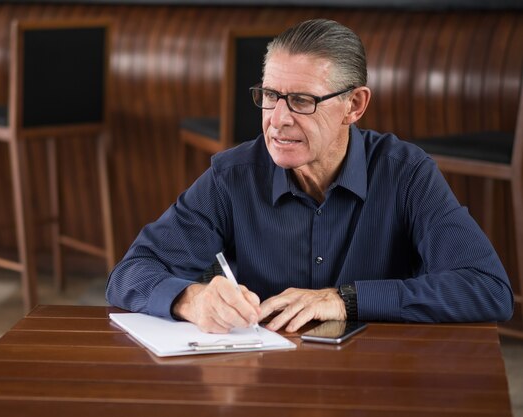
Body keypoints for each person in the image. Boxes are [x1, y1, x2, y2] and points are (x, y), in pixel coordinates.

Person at [106, 19, 514, 333]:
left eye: (301, 101)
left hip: (378, 381)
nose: (278, 121)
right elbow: (131, 272)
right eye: (269, 96)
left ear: (354, 105)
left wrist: (346, 301)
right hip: (267, 381)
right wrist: (189, 299)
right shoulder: (231, 177)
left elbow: (486, 288)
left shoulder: (406, 173)